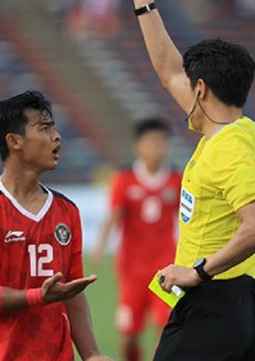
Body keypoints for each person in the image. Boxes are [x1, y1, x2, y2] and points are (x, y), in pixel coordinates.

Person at [125, 0, 255, 361]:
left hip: (214, 305)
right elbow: (169, 71)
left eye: (191, 86)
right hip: (229, 307)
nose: (182, 88)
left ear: (203, 89)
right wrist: (144, 2)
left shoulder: (228, 147)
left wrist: (197, 272)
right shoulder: (238, 131)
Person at [0, 90, 112, 361]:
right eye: (45, 128)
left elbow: (72, 293)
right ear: (14, 141)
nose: (57, 136)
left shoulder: (67, 211)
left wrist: (91, 354)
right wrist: (39, 296)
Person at [92, 118, 182, 361]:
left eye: (163, 142)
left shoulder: (177, 179)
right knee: (129, 333)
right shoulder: (125, 179)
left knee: (165, 326)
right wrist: (100, 246)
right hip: (132, 270)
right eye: (152, 142)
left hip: (165, 268)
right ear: (138, 146)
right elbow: (113, 216)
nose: (158, 147)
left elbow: (186, 221)